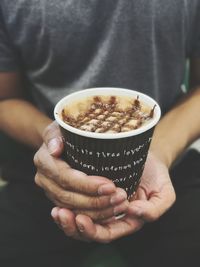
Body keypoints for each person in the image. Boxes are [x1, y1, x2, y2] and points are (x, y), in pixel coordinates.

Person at [0, 1, 200, 266]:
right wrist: (52, 139)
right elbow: (5, 99)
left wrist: (159, 152)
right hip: (47, 170)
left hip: (168, 161)